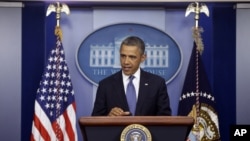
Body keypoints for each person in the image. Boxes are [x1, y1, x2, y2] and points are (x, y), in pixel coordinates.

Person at [91, 36, 172, 116]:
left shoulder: (157, 84)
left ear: (143, 58)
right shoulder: (105, 85)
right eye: (123, 56)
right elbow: (94, 122)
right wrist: (108, 117)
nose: (126, 62)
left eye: (132, 57)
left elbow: (165, 119)